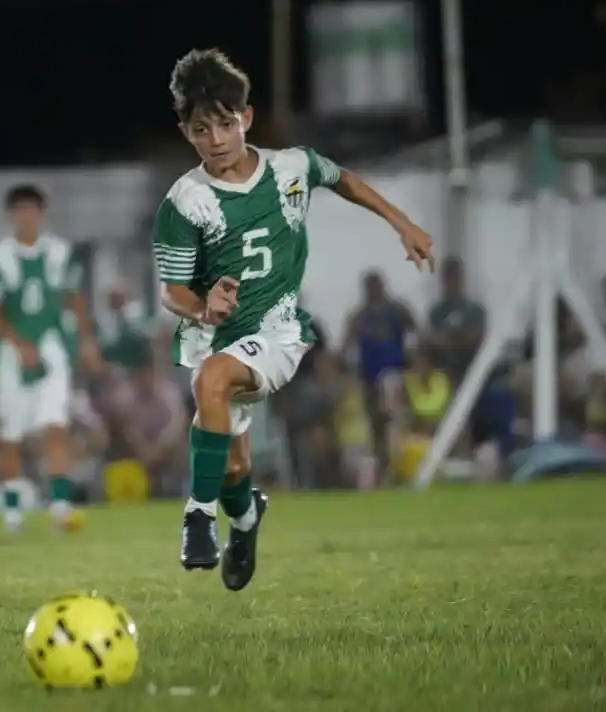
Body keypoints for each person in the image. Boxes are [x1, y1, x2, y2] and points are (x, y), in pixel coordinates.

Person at [151, 49, 433, 590]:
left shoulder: (291, 167)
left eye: (225, 124)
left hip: (275, 331)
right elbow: (173, 292)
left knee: (210, 383)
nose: (216, 139)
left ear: (247, 119)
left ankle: (197, 519)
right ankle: (247, 515)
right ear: (186, 131)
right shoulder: (184, 203)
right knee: (232, 468)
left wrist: (403, 224)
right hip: (215, 336)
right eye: (201, 128)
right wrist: (203, 306)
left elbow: (343, 178)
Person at [0, 185, 101, 533]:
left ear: (42, 214)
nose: (26, 217)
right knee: (11, 434)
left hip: (51, 348)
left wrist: (86, 339)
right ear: (10, 216)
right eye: (19, 211)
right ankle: (13, 513)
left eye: (31, 210)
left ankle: (60, 508)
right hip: (10, 355)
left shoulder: (60, 253)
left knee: (55, 427)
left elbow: (74, 299)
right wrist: (19, 344)